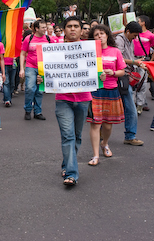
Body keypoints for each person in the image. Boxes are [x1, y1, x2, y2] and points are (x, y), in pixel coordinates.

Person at [51, 17, 91, 186]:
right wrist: (41, 78)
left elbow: (96, 72)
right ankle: (72, 173)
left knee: (77, 136)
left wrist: (101, 76)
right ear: (64, 29)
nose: (72, 29)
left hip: (83, 99)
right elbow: (47, 72)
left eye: (76, 26)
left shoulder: (89, 49)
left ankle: (67, 164)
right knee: (68, 136)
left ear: (81, 30)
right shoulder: (54, 50)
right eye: (69, 26)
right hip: (63, 99)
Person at [87, 25, 126, 166]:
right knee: (95, 123)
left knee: (108, 125)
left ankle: (105, 143)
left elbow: (122, 70)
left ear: (107, 35)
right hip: (95, 90)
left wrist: (113, 73)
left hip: (111, 90)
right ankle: (95, 155)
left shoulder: (115, 51)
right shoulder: (89, 52)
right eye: (96, 34)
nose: (99, 36)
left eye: (102, 33)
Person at [115, 21, 145, 145]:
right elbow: (119, 58)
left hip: (126, 76)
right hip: (119, 77)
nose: (136, 37)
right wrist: (134, 62)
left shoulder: (129, 41)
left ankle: (129, 135)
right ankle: (129, 135)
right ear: (128, 31)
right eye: (135, 34)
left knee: (127, 107)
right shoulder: (119, 40)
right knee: (129, 108)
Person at [19, 20, 50, 121]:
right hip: (30, 66)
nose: (45, 29)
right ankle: (28, 109)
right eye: (43, 28)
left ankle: (38, 111)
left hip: (43, 68)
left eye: (46, 27)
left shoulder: (49, 39)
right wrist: (21, 69)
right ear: (36, 29)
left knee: (39, 90)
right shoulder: (29, 38)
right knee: (30, 88)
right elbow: (22, 54)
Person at [133, 15, 154, 114]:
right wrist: (124, 12)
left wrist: (151, 60)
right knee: (132, 82)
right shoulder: (135, 34)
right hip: (133, 59)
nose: (137, 22)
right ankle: (133, 103)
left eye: (138, 21)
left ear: (143, 23)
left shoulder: (150, 35)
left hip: (143, 60)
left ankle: (140, 105)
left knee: (142, 84)